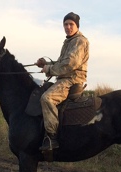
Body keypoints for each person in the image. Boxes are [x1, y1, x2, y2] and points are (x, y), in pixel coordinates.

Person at [36, 12, 89, 151]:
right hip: (65, 77)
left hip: (71, 79)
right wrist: (45, 64)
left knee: (46, 98)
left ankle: (51, 138)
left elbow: (70, 64)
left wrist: (49, 69)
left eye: (71, 24)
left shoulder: (79, 41)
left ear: (77, 25)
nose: (68, 27)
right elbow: (62, 62)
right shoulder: (69, 41)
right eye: (65, 24)